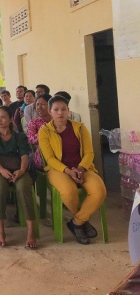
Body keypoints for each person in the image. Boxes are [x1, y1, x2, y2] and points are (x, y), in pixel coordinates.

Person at [39, 95, 107, 245]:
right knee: (69, 192)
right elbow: (50, 159)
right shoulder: (45, 131)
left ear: (68, 110)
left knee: (99, 190)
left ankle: (76, 222)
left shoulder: (79, 128)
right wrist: (68, 171)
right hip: (58, 170)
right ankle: (83, 221)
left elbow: (89, 153)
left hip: (82, 167)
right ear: (50, 111)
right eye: (56, 110)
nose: (60, 113)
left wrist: (80, 169)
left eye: (63, 109)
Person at [0, 106, 37, 248]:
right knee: (0, 187)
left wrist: (21, 171)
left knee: (24, 186)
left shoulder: (19, 136)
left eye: (3, 117)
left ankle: (31, 231)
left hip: (18, 170)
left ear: (10, 119)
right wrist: (1, 170)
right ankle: (1, 231)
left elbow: (24, 155)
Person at [26, 94, 53, 169]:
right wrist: (48, 135)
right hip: (42, 155)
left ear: (51, 106)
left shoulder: (57, 121)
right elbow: (31, 138)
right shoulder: (34, 122)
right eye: (37, 104)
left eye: (43, 104)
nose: (39, 107)